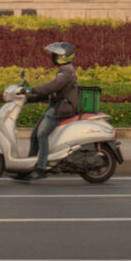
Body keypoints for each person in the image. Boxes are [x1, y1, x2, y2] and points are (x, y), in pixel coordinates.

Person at [23, 41, 81, 170]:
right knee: (34, 135)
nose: (53, 57)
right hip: (57, 107)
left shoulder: (67, 71)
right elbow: (51, 93)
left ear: (63, 57)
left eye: (55, 55)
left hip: (63, 109)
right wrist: (28, 99)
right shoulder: (64, 70)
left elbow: (51, 87)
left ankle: (41, 167)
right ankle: (28, 165)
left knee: (42, 134)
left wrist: (32, 90)